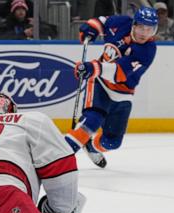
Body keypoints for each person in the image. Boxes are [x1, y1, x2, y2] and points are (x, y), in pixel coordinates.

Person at [65, 6, 158, 168]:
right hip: (99, 82)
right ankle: (56, 157)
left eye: (149, 29)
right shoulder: (122, 23)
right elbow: (101, 21)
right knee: (92, 121)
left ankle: (91, 146)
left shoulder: (147, 50)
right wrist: (91, 28)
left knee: (112, 142)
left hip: (123, 94)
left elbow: (119, 73)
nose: (145, 33)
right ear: (134, 24)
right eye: (142, 27)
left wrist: (92, 67)